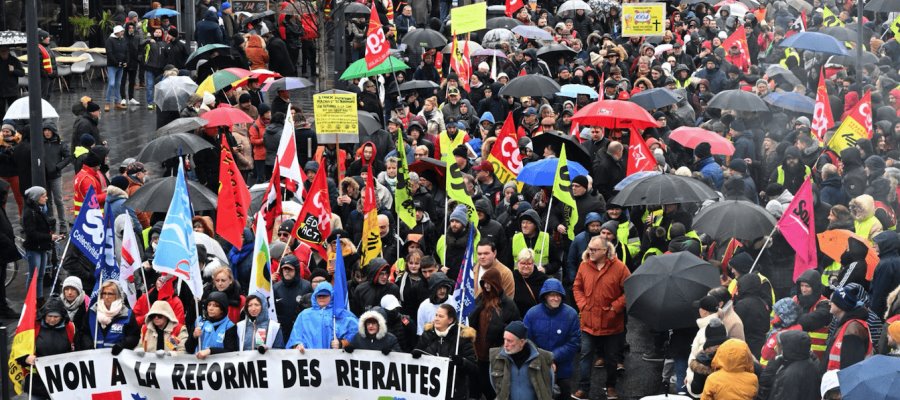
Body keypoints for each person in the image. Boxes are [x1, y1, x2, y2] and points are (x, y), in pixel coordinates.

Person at [572, 235, 630, 400]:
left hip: (611, 322)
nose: (590, 252)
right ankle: (583, 388)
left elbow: (629, 290)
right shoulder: (584, 266)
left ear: (605, 251)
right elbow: (577, 287)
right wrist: (582, 304)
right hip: (588, 321)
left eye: (594, 249)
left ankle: (611, 387)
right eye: (589, 248)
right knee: (585, 355)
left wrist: (615, 308)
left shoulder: (620, 268)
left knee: (612, 358)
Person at [522, 278, 580, 399]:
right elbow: (526, 341)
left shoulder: (571, 314)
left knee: (564, 394)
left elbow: (574, 343)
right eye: (552, 295)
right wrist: (544, 360)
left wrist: (552, 357)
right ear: (545, 297)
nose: (556, 298)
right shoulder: (532, 314)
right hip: (537, 365)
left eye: (558, 295)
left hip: (563, 368)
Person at [470, 267, 521, 400]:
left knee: (494, 388)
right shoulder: (481, 300)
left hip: (497, 353)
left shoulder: (508, 304)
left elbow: (516, 328)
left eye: (489, 283)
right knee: (477, 385)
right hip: (479, 352)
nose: (486, 286)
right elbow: (471, 318)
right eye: (484, 283)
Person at [413, 304, 477, 400]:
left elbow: (474, 368)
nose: (436, 319)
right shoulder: (427, 334)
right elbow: (417, 354)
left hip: (454, 392)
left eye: (441, 316)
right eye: (436, 315)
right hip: (430, 390)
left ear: (450, 320)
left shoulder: (462, 337)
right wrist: (415, 354)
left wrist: (462, 362)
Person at [18, 299, 75, 400]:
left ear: (62, 317)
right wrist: (25, 358)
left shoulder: (70, 328)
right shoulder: (33, 328)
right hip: (37, 383)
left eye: (56, 317)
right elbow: (19, 350)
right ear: (44, 315)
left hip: (62, 383)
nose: (52, 320)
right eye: (50, 316)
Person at [489, 320, 555, 400]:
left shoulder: (543, 358)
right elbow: (494, 385)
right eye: (504, 339)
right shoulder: (497, 358)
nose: (505, 344)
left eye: (510, 341)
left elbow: (549, 385)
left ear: (522, 342)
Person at [287, 282, 358, 352]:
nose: (321, 297)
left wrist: (342, 343)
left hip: (336, 359)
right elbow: (296, 336)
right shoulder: (304, 315)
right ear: (315, 296)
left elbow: (356, 333)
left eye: (325, 295)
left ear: (332, 296)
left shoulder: (342, 313)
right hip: (309, 359)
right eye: (319, 295)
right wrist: (297, 345)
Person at [822, 285, 873, 371]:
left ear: (841, 306)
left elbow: (850, 366)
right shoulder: (847, 324)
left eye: (832, 301)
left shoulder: (852, 329)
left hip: (840, 381)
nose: (829, 303)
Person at [23, 186, 59, 303]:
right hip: (35, 248)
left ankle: (39, 298)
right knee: (34, 276)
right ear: (36, 198)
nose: (46, 198)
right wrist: (49, 237)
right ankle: (30, 300)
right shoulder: (30, 212)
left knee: (41, 275)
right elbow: (31, 233)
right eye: (43, 196)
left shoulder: (40, 208)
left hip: (42, 247)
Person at [765, 330, 822, 400]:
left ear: (789, 349)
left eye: (780, 346)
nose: (776, 348)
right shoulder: (812, 364)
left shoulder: (790, 375)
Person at [88, 280, 138, 350]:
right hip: (94, 357)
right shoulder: (93, 311)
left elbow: (134, 337)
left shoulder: (127, 314)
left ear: (118, 295)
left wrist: (122, 345)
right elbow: (84, 333)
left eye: (110, 294)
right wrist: (88, 344)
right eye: (104, 293)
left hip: (117, 357)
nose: (106, 297)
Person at [273, 255, 312, 340]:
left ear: (296, 270)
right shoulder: (275, 288)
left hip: (301, 332)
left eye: (289, 269)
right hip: (281, 333)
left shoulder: (307, 286)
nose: (286, 271)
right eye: (284, 269)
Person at [189, 291, 235, 358]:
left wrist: (210, 351)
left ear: (222, 309)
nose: (210, 308)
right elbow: (189, 349)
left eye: (215, 306)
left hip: (219, 366)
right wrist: (194, 336)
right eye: (209, 305)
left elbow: (231, 352)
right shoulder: (199, 322)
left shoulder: (229, 326)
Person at [511, 248, 548, 314]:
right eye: (523, 263)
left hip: (537, 315)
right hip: (516, 316)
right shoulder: (511, 277)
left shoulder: (542, 279)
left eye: (529, 264)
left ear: (533, 264)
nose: (526, 266)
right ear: (517, 263)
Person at [105, 25, 129, 111]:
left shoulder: (123, 40)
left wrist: (126, 61)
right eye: (121, 31)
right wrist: (116, 62)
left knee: (118, 84)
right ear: (117, 32)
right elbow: (109, 53)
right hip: (112, 65)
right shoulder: (110, 40)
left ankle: (117, 102)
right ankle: (107, 103)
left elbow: (126, 51)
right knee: (111, 83)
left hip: (120, 66)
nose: (123, 33)